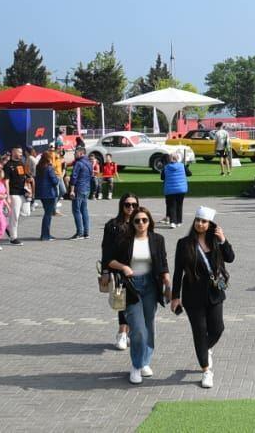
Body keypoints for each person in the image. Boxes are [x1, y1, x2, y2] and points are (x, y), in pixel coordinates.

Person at [171, 206, 234, 389]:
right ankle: (206, 370)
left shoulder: (216, 241)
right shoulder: (184, 243)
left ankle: (205, 349)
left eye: (204, 221)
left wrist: (223, 240)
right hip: (192, 296)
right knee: (199, 332)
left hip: (215, 292)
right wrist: (175, 297)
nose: (200, 224)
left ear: (210, 224)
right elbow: (178, 272)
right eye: (198, 220)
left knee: (218, 328)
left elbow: (230, 258)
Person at [107, 206, 172, 384]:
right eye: (137, 221)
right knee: (138, 330)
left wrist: (167, 282)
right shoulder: (125, 240)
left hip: (151, 285)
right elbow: (109, 260)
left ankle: (145, 362)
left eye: (144, 220)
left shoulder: (157, 239)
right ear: (132, 223)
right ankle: (136, 366)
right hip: (131, 286)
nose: (141, 223)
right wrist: (124, 267)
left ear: (149, 222)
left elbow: (163, 262)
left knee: (149, 325)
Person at [102, 193, 141, 349]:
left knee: (135, 302)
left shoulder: (141, 222)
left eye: (134, 205)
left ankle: (128, 332)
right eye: (127, 205)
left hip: (138, 269)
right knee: (122, 301)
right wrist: (105, 271)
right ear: (122, 206)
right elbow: (106, 251)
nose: (131, 208)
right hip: (119, 268)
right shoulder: (112, 225)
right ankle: (122, 333)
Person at [3, 148, 32, 245]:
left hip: (22, 192)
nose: (21, 154)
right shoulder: (8, 165)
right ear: (13, 152)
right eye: (19, 152)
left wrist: (28, 181)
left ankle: (8, 227)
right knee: (14, 215)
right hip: (13, 193)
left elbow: (25, 176)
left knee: (26, 212)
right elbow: (6, 181)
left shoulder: (21, 163)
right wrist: (7, 195)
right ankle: (13, 237)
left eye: (21, 152)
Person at [35, 149, 63, 241]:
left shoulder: (39, 167)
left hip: (42, 193)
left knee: (47, 213)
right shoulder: (49, 168)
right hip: (50, 193)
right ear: (49, 158)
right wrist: (57, 178)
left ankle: (45, 234)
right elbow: (54, 181)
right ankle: (45, 235)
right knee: (48, 214)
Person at [69, 147, 95, 238]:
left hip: (78, 189)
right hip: (86, 189)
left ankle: (79, 232)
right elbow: (91, 175)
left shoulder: (78, 163)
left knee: (76, 210)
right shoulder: (89, 163)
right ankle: (86, 232)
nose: (74, 154)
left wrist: (72, 190)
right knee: (84, 210)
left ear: (81, 153)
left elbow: (74, 177)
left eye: (75, 153)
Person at [160, 151, 188, 227]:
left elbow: (162, 178)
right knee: (179, 205)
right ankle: (179, 221)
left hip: (170, 189)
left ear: (170, 159)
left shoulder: (166, 167)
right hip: (181, 188)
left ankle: (173, 222)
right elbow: (189, 173)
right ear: (177, 158)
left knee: (172, 205)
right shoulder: (182, 166)